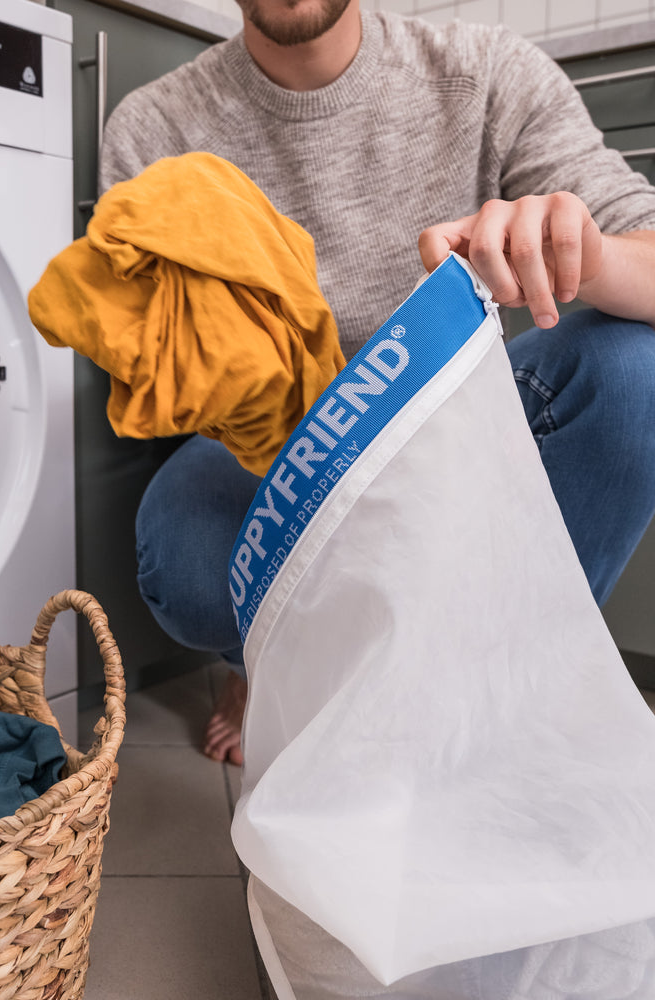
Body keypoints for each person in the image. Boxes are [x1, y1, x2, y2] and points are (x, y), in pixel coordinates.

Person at [98, 0, 655, 765]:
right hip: (282, 440)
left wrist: (584, 256)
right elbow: (148, 356)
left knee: (634, 367)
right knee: (184, 553)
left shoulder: (487, 74)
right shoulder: (153, 126)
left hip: (461, 410)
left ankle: (502, 690)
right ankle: (259, 668)